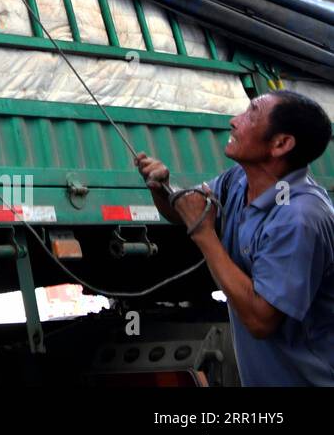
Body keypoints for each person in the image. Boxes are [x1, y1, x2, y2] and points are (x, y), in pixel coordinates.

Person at [135, 90, 334, 386]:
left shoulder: (300, 217)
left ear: (281, 144)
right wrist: (161, 189)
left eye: (252, 113)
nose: (234, 121)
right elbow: (187, 212)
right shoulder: (238, 180)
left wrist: (204, 234)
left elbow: (260, 320)